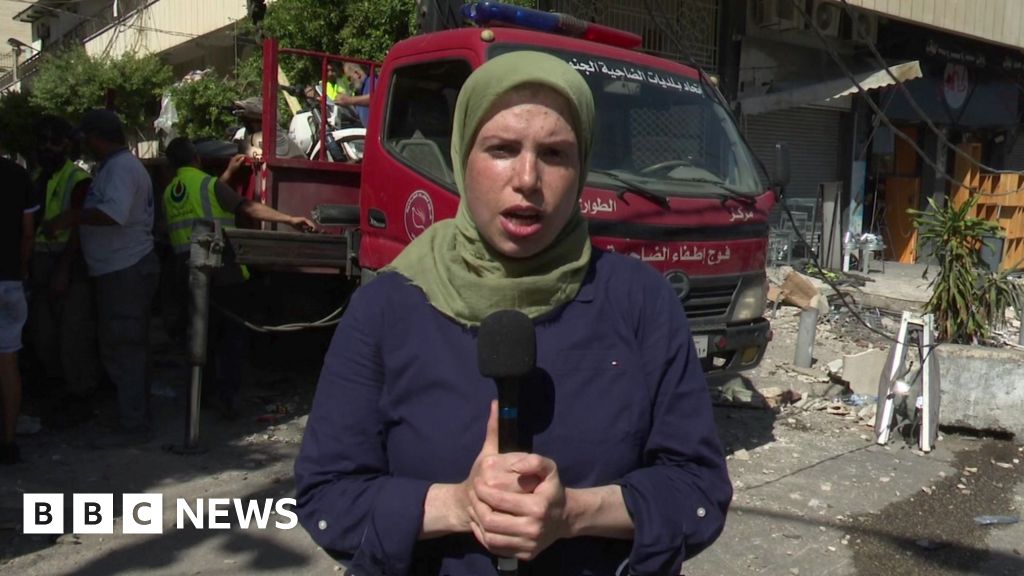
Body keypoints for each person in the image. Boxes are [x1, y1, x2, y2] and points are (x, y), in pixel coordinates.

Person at [294, 52, 731, 575]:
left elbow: (699, 491)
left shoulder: (641, 302)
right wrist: (457, 504)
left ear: (582, 165)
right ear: (461, 155)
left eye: (555, 153)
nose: (528, 178)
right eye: (502, 149)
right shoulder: (387, 307)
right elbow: (328, 497)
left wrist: (574, 512)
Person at [162, 137, 316, 417]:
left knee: (200, 338)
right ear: (196, 158)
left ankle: (201, 399)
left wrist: (228, 176)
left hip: (189, 276)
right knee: (231, 340)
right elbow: (247, 207)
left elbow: (201, 205)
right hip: (223, 274)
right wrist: (290, 219)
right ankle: (228, 399)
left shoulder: (172, 191)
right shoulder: (209, 185)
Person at [44, 109, 159, 447]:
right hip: (117, 269)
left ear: (98, 137)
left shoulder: (122, 168)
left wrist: (71, 217)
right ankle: (131, 415)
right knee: (120, 346)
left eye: (87, 138)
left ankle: (134, 424)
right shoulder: (114, 167)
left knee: (126, 347)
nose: (84, 145)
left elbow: (114, 214)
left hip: (126, 269)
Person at [30, 116, 101, 414]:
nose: (47, 147)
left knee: (73, 333)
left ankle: (82, 395)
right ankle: (57, 388)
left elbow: (79, 228)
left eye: (53, 141)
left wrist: (63, 269)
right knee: (43, 332)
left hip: (68, 264)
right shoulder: (38, 177)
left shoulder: (78, 179)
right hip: (39, 262)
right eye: (43, 140)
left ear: (67, 145)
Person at [0, 153, 39, 464]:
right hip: (10, 281)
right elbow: (28, 232)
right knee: (8, 362)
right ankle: (9, 441)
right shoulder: (17, 175)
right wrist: (22, 269)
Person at [335, 62, 374, 127]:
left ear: (357, 74)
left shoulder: (372, 82)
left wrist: (349, 100)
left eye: (349, 78)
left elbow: (378, 98)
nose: (349, 83)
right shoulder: (359, 91)